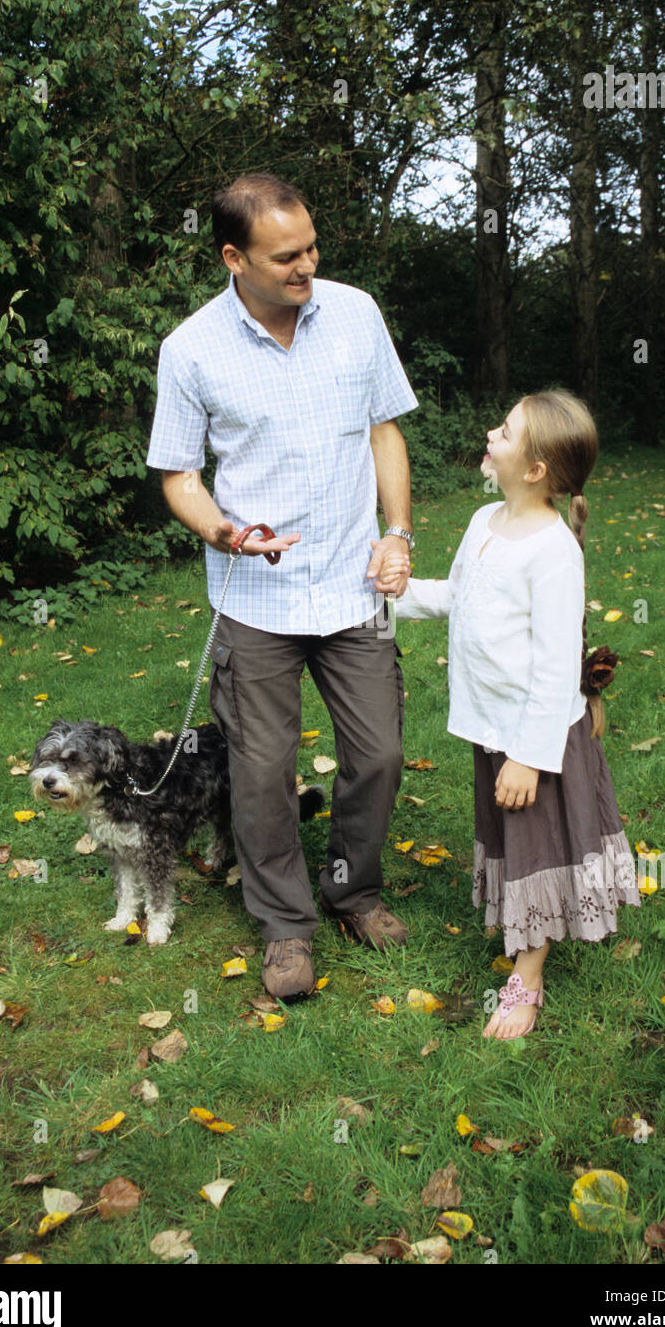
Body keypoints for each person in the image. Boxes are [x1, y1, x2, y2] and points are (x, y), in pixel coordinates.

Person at [145, 173, 418, 1002]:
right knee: (261, 774)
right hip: (253, 596)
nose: (307, 267)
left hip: (349, 583)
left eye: (311, 248)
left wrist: (397, 532)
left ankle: (352, 891)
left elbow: (384, 430)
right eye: (285, 256)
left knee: (378, 754)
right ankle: (285, 926)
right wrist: (220, 529)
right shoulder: (190, 348)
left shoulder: (355, 312)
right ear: (234, 257)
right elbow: (179, 474)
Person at [384, 389, 640, 1040]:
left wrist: (527, 756)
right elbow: (461, 598)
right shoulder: (483, 521)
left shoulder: (553, 552)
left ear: (532, 469)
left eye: (503, 430)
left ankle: (528, 976)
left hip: (537, 735)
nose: (489, 434)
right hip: (493, 725)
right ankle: (523, 932)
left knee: (536, 846)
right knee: (512, 840)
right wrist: (395, 597)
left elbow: (557, 668)